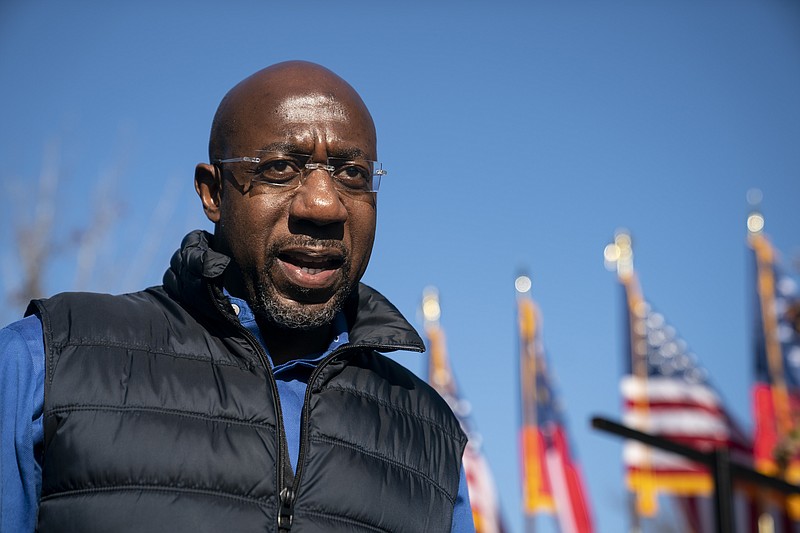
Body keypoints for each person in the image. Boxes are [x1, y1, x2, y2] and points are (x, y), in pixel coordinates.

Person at [0, 61, 474, 533]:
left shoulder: (429, 437)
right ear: (213, 194)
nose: (324, 205)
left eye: (352, 173)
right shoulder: (47, 361)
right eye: (280, 168)